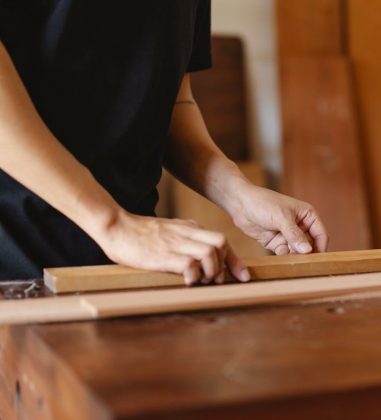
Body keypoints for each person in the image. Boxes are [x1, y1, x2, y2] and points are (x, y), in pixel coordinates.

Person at [0, 1, 328, 284]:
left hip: (133, 265)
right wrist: (112, 224)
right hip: (14, 268)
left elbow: (170, 101)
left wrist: (237, 193)